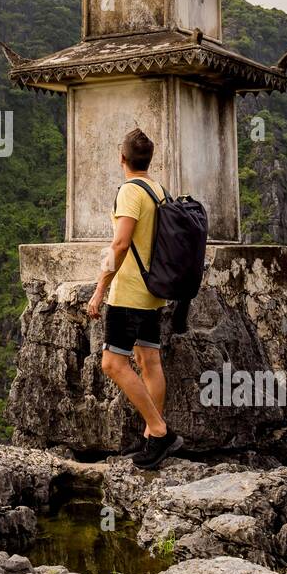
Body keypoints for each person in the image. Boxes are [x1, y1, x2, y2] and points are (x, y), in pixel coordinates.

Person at [86, 127, 183, 470]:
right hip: (153, 291)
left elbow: (121, 244)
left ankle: (159, 430)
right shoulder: (158, 189)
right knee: (149, 361)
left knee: (112, 364)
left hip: (128, 292)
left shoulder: (129, 191)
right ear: (149, 159)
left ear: (122, 158)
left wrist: (100, 288)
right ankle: (150, 439)